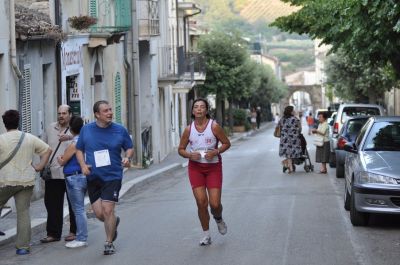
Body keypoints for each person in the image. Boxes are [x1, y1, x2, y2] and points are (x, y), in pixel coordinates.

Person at [76, 100, 134, 255]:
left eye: (110, 110)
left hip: (112, 175)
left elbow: (129, 147)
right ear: (97, 114)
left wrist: (127, 157)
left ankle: (109, 242)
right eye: (105, 111)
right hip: (93, 177)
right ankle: (113, 222)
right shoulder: (86, 130)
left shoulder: (119, 130)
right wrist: (82, 165)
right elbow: (79, 149)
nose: (110, 113)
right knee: (100, 214)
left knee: (108, 210)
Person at [178, 98, 231, 246]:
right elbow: (181, 149)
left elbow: (227, 143)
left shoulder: (214, 127)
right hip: (196, 168)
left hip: (213, 167)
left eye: (202, 107)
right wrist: (189, 155)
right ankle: (206, 234)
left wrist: (216, 151)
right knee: (201, 203)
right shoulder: (189, 129)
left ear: (206, 110)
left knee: (214, 204)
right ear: (193, 111)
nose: (199, 109)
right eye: (196, 107)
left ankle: (218, 218)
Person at [0, 110, 52, 255]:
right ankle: (23, 247)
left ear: (5, 124)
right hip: (26, 181)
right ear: (19, 122)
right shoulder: (29, 138)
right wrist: (40, 166)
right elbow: (48, 150)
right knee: (23, 212)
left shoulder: (1, 139)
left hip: (5, 181)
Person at [41, 105, 77, 244]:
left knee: (74, 204)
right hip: (54, 173)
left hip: (71, 173)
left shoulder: (76, 130)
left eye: (64, 113)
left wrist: (70, 136)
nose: (61, 116)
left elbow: (83, 144)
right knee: (52, 205)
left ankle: (74, 231)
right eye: (59, 113)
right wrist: (43, 165)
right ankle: (53, 233)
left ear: (70, 114)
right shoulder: (50, 128)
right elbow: (44, 147)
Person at [57, 116, 87, 248]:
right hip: (84, 176)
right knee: (80, 208)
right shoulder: (86, 140)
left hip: (74, 177)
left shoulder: (74, 144)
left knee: (78, 209)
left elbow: (63, 161)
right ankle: (82, 236)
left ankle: (81, 237)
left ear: (71, 129)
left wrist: (60, 159)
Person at [278, 106, 303, 173]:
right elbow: (300, 129)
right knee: (292, 154)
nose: (294, 111)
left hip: (284, 139)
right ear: (291, 111)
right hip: (294, 139)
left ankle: (289, 166)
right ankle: (288, 166)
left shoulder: (282, 119)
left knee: (288, 154)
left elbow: (279, 127)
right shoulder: (295, 119)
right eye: (293, 110)